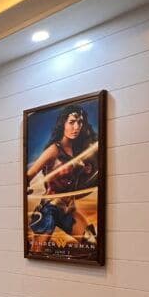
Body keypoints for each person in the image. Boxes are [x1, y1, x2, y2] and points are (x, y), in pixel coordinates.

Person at [26, 104, 98, 244]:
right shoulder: (54, 150)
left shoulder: (79, 151)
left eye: (79, 122)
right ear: (63, 124)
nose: (76, 127)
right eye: (71, 122)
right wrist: (25, 189)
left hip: (68, 210)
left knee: (92, 242)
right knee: (38, 251)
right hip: (49, 209)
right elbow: (29, 174)